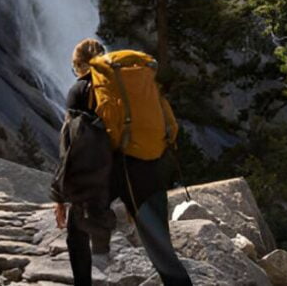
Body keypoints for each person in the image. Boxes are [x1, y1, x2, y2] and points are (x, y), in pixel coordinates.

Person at [51, 38, 192, 286]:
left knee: (77, 231)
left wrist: (60, 196)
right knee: (160, 246)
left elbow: (71, 147)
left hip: (103, 172)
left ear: (79, 65)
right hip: (148, 165)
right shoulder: (133, 85)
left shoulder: (80, 90)